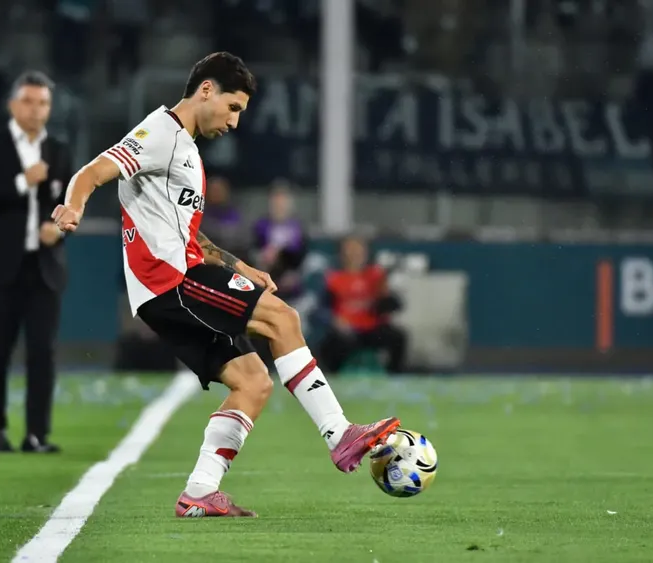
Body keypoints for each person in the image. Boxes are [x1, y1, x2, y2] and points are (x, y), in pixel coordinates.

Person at [52, 52, 401, 517]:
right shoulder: (160, 134)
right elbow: (92, 172)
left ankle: (199, 490)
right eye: (234, 108)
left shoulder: (186, 150)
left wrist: (241, 265)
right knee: (283, 319)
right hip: (173, 279)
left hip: (171, 282)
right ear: (206, 90)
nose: (235, 122)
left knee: (253, 382)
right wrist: (72, 205)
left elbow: (189, 234)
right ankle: (339, 434)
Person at [0, 71, 72, 454]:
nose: (36, 109)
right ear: (13, 105)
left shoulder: (58, 150)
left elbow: (71, 207)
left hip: (44, 268)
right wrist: (21, 182)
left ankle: (36, 435)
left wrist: (58, 230)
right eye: (28, 101)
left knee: (42, 353)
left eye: (43, 102)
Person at [319, 236, 407, 374]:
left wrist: (386, 295)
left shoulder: (376, 276)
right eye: (350, 251)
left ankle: (394, 375)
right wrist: (335, 320)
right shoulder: (334, 279)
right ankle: (332, 378)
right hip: (347, 330)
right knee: (330, 344)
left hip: (373, 328)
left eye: (358, 251)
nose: (355, 255)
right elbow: (321, 309)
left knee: (398, 337)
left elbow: (395, 305)